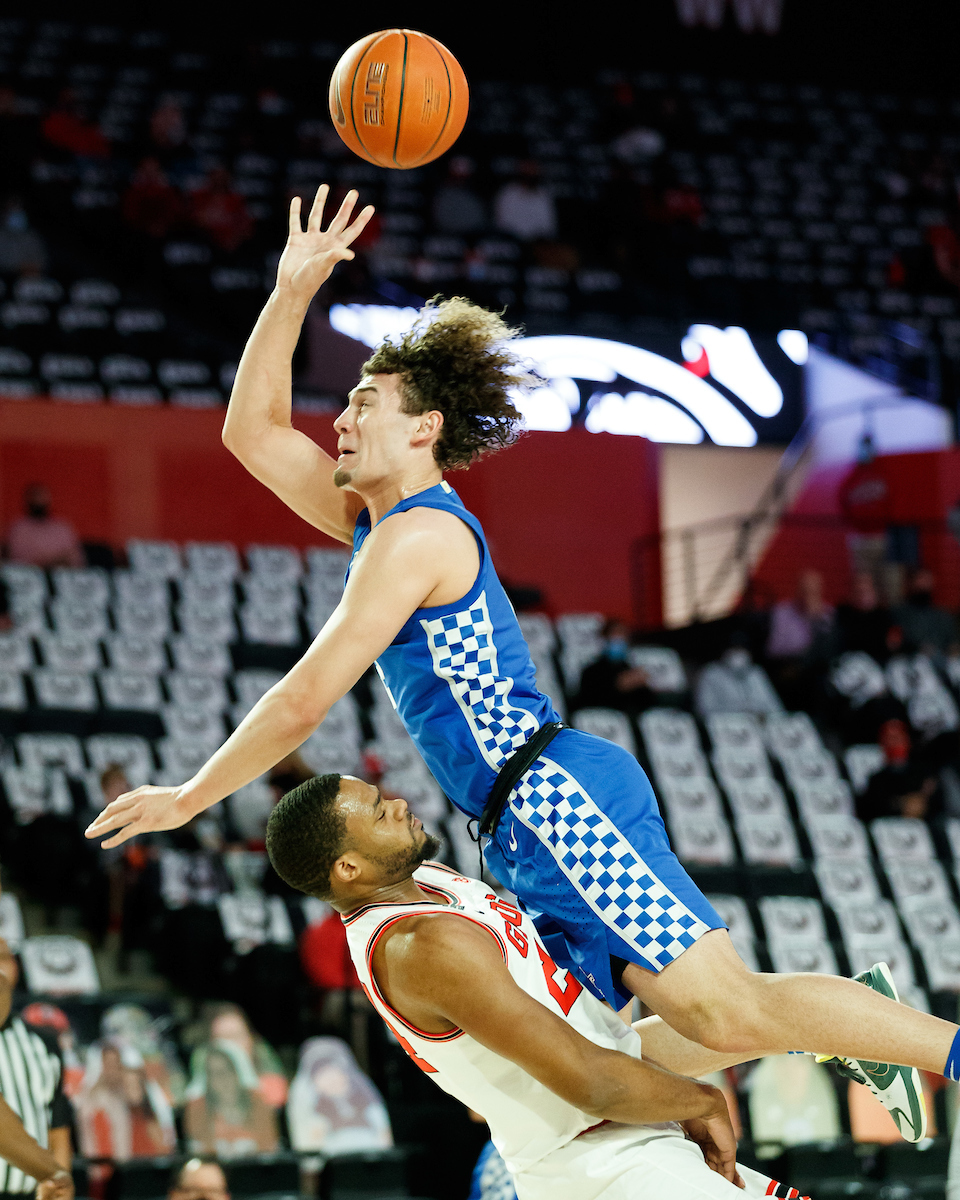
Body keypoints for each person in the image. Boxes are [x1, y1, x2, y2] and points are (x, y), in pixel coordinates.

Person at [88, 184, 960, 1144]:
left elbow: (302, 703)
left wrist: (188, 798)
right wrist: (290, 290)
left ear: (422, 431)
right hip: (515, 817)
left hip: (553, 798)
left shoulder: (414, 539)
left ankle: (926, 1043)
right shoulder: (380, 524)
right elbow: (250, 435)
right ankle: (852, 1022)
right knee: (621, 1047)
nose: (337, 420)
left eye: (361, 404)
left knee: (726, 1013)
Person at [265, 774, 815, 1200]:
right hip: (600, 1159)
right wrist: (706, 1099)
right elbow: (591, 1079)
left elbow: (604, 1044)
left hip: (624, 1126)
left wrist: (791, 1024)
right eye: (381, 813)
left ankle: (837, 1029)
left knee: (753, 1013)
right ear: (348, 868)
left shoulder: (425, 883)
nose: (401, 804)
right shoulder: (421, 945)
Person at [0, 938, 74, 1200]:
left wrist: (59, 1183)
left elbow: (58, 1128)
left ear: (16, 968)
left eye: (3, 959)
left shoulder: (43, 1042)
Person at [76, 1040, 177, 1161]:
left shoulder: (139, 1097)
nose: (112, 1070)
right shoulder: (93, 1097)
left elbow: (162, 1136)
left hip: (142, 1160)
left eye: (116, 1064)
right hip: (107, 1164)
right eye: (107, 1064)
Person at [183, 1042, 279, 1159]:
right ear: (207, 1079)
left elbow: (269, 1149)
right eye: (215, 1074)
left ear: (236, 1072)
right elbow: (200, 1153)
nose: (223, 1078)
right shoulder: (197, 1108)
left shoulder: (257, 1101)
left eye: (227, 1070)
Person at [574, 619, 654, 713]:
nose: (619, 639)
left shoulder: (632, 672)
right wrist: (617, 686)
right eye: (615, 634)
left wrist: (643, 685)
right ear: (604, 639)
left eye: (623, 635)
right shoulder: (591, 671)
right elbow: (589, 700)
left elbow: (647, 705)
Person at [694, 636, 783, 717]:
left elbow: (775, 707)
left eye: (741, 649)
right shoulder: (711, 673)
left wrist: (763, 714)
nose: (738, 653)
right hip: (727, 728)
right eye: (734, 649)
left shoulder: (756, 673)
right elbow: (704, 710)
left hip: (761, 727)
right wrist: (739, 713)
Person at [6, 484, 83, 570]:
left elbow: (76, 558)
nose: (39, 501)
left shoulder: (62, 527)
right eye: (36, 497)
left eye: (43, 497)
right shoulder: (19, 527)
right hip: (31, 577)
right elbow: (18, 559)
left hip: (62, 576)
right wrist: (52, 560)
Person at [893, 567, 958, 658]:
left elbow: (953, 644)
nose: (924, 584)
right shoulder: (899, 613)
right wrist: (918, 648)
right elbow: (895, 642)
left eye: (927, 580)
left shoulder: (942, 614)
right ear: (911, 583)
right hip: (911, 659)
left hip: (942, 660)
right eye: (920, 579)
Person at [835, 572, 898, 663]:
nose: (862, 596)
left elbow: (893, 646)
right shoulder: (843, 615)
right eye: (858, 591)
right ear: (851, 593)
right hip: (851, 665)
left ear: (875, 592)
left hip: (880, 666)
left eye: (866, 591)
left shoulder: (885, 616)